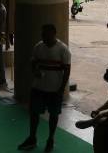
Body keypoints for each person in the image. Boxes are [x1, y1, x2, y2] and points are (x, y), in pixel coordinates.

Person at [19, 24, 71, 152]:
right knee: (34, 113)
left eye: (45, 34)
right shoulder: (38, 47)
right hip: (38, 87)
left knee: (53, 115)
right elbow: (33, 61)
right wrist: (34, 71)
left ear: (54, 33)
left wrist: (61, 89)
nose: (43, 37)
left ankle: (50, 139)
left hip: (54, 89)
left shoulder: (63, 49)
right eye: (42, 35)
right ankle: (32, 138)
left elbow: (67, 71)